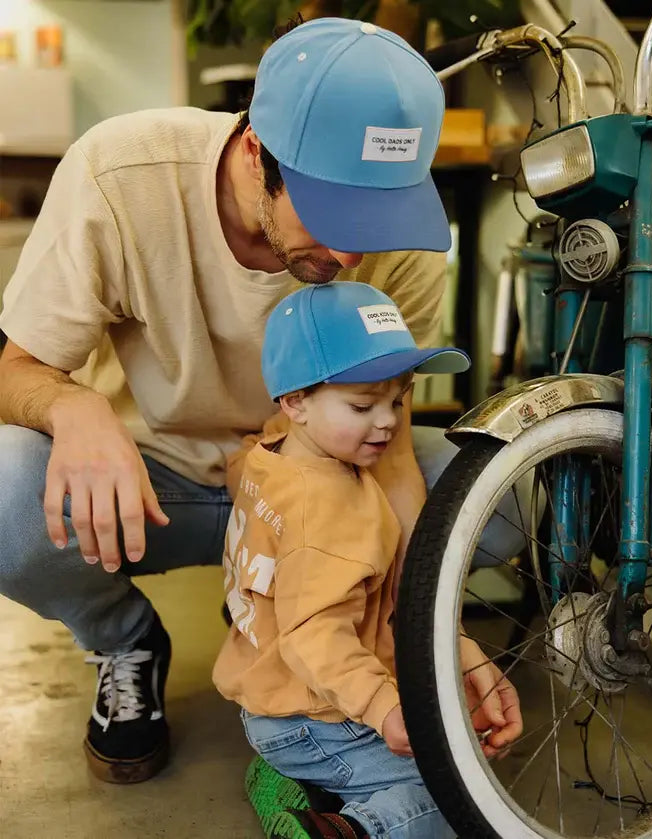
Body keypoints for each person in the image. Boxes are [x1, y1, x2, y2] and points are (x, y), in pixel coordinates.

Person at [0, 17, 460, 785]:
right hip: (154, 484)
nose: (351, 254)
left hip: (317, 484)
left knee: (485, 503)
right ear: (256, 153)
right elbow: (17, 366)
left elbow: (396, 440)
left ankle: (283, 607)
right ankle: (126, 640)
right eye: (332, 212)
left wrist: (415, 640)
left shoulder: (401, 237)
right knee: (7, 489)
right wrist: (72, 409)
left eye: (372, 217)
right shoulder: (120, 175)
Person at [213, 281, 522, 839]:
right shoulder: (335, 509)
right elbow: (314, 635)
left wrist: (452, 646)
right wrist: (383, 707)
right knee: (463, 801)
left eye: (398, 400)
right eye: (362, 404)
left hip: (272, 697)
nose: (388, 422)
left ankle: (297, 784)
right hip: (311, 715)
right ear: (295, 402)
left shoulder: (268, 459)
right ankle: (349, 830)